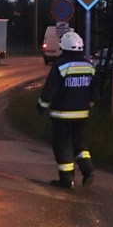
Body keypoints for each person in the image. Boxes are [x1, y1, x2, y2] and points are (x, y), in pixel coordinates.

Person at [37, 30, 98, 189]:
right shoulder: (89, 66)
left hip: (61, 115)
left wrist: (41, 106)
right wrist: (89, 104)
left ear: (63, 47)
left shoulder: (60, 66)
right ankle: (87, 169)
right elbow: (94, 92)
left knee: (62, 145)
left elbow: (50, 90)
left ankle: (66, 179)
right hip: (82, 114)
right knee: (79, 144)